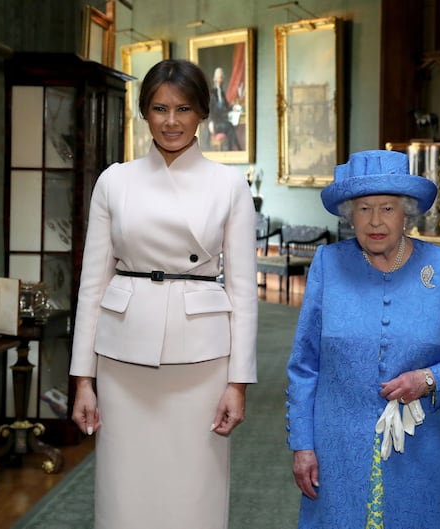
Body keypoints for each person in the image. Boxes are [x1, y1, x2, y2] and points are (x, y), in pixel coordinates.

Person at [69, 59, 258, 529]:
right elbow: (92, 284)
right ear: (144, 113)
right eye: (159, 109)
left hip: (201, 361)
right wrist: (82, 380)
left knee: (194, 490)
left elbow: (242, 290)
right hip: (122, 356)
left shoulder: (229, 184)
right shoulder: (114, 181)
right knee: (123, 490)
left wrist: (238, 382)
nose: (171, 121)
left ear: (202, 114)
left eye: (183, 108)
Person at [286, 149, 440, 528]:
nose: (375, 221)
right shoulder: (327, 265)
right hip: (337, 449)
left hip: (417, 451)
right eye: (363, 209)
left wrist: (429, 379)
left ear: (407, 214)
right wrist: (302, 444)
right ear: (350, 214)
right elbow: (304, 364)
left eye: (387, 208)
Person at [208, 66, 241, 150]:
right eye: (220, 78)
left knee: (230, 127)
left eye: (222, 78)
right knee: (230, 127)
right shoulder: (212, 93)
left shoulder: (222, 93)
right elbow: (209, 110)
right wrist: (210, 122)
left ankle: (232, 149)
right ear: (215, 79)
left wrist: (234, 108)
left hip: (221, 122)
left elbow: (227, 106)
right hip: (214, 124)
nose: (222, 80)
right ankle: (237, 148)